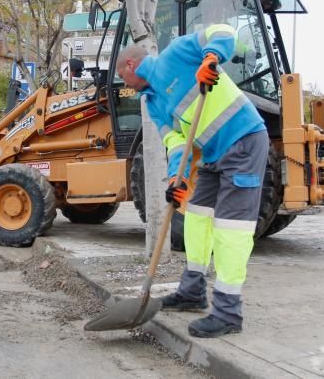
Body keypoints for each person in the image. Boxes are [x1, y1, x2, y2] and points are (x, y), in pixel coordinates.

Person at [115, 25, 269, 339]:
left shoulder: (177, 54)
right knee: (197, 220)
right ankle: (192, 291)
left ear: (130, 65)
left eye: (121, 75)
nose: (123, 83)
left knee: (231, 229)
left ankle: (228, 312)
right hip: (212, 155)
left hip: (244, 140)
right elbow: (174, 142)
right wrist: (178, 177)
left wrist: (211, 58)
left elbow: (223, 30)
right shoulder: (152, 103)